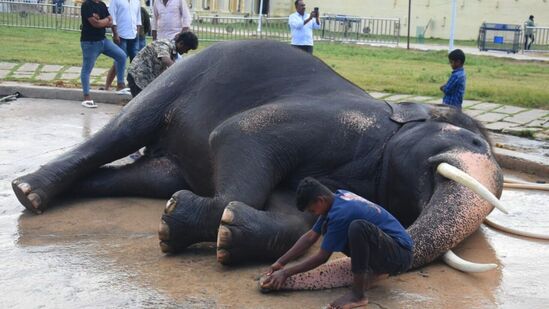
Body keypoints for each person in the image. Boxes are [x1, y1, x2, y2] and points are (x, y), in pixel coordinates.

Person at [261, 177, 413, 309]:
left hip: (400, 254)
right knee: (336, 227)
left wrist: (286, 273)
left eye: (312, 211)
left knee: (358, 227)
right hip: (388, 248)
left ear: (320, 200)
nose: (314, 214)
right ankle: (374, 269)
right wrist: (280, 263)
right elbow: (310, 237)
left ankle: (358, 295)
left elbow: (322, 256)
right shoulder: (337, 199)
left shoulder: (341, 213)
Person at [80, 0, 127, 108]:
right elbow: (95, 23)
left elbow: (111, 21)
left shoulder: (101, 5)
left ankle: (120, 85)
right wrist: (106, 21)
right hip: (90, 42)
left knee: (121, 56)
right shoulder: (87, 5)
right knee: (87, 68)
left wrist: (103, 21)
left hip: (103, 41)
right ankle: (86, 97)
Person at [126, 31, 198, 97]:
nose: (186, 52)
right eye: (187, 49)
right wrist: (180, 71)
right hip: (138, 78)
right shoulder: (164, 45)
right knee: (140, 106)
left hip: (147, 79)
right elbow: (165, 59)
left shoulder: (173, 52)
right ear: (181, 43)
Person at [103, 0, 142, 92]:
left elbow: (138, 19)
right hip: (120, 35)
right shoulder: (116, 1)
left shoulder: (136, 1)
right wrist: (115, 33)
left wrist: (138, 33)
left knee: (135, 61)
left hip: (134, 35)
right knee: (120, 59)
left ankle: (133, 84)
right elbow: (112, 18)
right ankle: (120, 84)